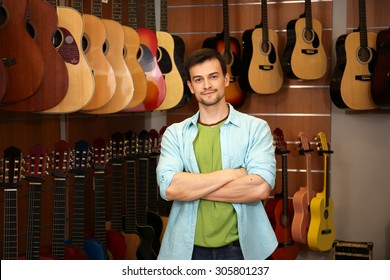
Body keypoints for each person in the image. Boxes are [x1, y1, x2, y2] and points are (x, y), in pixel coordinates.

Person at [156, 48, 277, 260]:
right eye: (199, 80)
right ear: (191, 87)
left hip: (242, 249)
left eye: (213, 77)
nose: (207, 86)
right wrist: (233, 174)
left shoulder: (256, 128)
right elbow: (170, 187)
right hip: (187, 250)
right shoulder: (175, 134)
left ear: (226, 79)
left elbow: (260, 187)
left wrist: (192, 189)